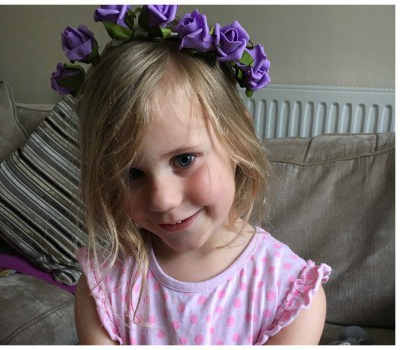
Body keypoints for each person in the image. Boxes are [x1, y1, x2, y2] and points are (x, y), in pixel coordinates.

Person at [55, 5, 332, 345]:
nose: (163, 199)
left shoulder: (290, 295)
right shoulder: (104, 287)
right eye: (132, 174)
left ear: (236, 135)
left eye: (184, 159)